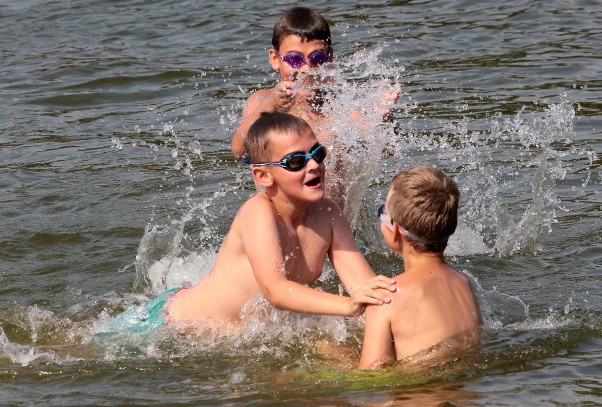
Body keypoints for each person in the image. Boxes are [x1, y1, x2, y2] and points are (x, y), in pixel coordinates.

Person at [99, 112, 397, 338]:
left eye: (317, 153)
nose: (313, 165)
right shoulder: (258, 214)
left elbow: (364, 287)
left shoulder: (328, 214)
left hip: (237, 332)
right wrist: (346, 306)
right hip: (169, 326)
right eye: (295, 161)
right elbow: (276, 291)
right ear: (263, 176)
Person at [230, 6, 399, 160]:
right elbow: (238, 151)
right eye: (294, 59)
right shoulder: (262, 101)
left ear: (329, 57)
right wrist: (270, 106)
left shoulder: (340, 109)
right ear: (275, 59)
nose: (306, 69)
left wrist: (382, 119)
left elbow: (390, 149)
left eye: (317, 58)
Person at [358, 166, 482, 370]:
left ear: (395, 229)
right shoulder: (463, 283)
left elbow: (369, 378)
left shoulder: (386, 297)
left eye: (382, 211)